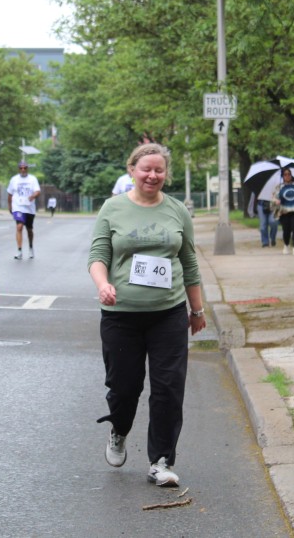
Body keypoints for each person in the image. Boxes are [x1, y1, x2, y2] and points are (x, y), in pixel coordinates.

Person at [88, 143, 206, 488]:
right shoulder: (112, 208)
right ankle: (119, 429)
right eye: (146, 169)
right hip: (121, 315)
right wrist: (103, 284)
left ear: (166, 174)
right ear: (132, 171)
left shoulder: (177, 211)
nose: (152, 176)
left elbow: (189, 262)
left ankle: (161, 460)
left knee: (169, 387)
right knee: (124, 388)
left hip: (168, 313)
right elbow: (98, 256)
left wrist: (197, 309)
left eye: (159, 170)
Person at [7, 160, 41, 259]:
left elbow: (38, 191)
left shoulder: (32, 179)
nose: (23, 170)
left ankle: (30, 247)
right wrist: (10, 206)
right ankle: (19, 250)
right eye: (21, 168)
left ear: (27, 168)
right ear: (18, 169)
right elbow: (10, 194)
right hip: (18, 207)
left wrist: (33, 196)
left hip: (29, 208)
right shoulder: (14, 179)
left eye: (25, 168)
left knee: (29, 229)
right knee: (19, 227)